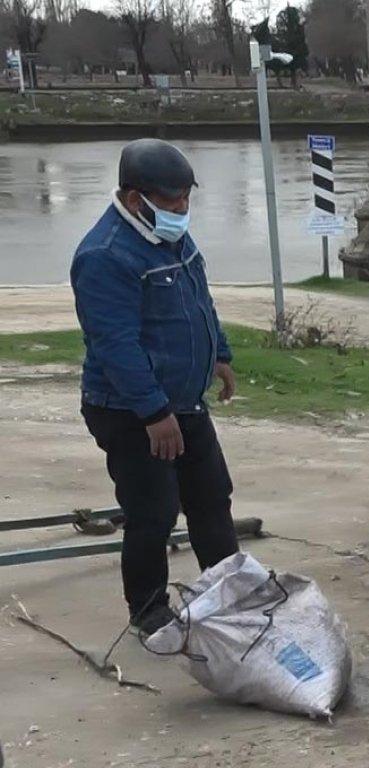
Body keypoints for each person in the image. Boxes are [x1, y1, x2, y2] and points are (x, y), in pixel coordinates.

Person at [70, 139, 240, 635]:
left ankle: (231, 592)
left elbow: (199, 302)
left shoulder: (173, 238)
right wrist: (152, 414)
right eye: (170, 203)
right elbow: (115, 345)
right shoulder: (103, 256)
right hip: (129, 409)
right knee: (154, 511)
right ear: (132, 198)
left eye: (186, 200)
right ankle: (148, 612)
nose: (181, 211)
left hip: (183, 402)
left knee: (212, 497)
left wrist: (221, 354)